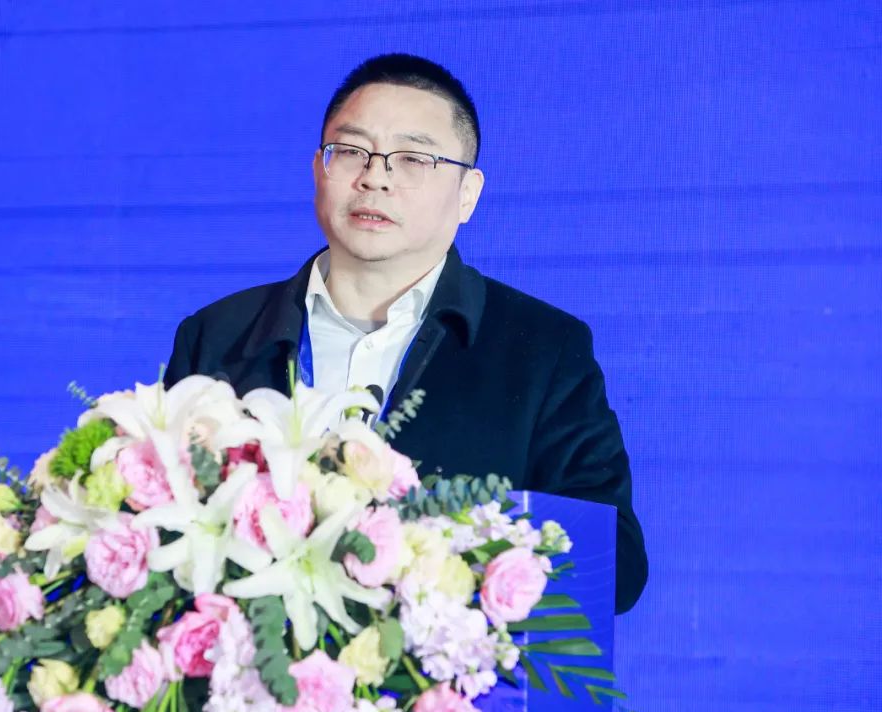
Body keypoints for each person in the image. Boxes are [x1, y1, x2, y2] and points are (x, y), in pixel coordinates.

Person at [164, 53, 647, 613]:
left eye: (414, 159)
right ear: (319, 169)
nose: (375, 177)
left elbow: (617, 563)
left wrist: (431, 553)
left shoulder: (542, 349)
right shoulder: (219, 334)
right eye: (351, 151)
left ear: (467, 194)